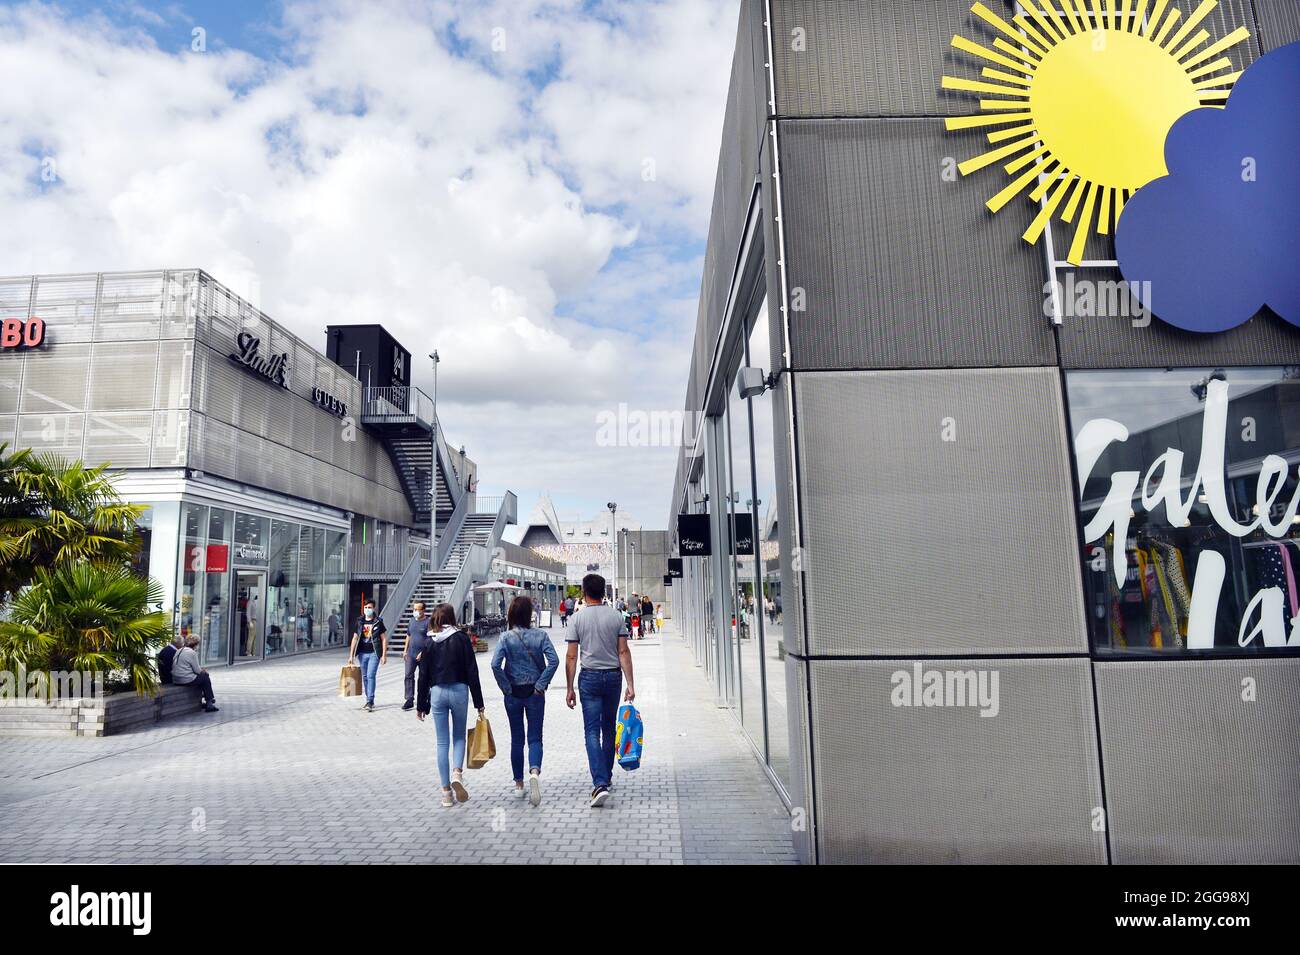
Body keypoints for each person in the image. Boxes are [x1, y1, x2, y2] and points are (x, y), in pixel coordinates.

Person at [566, 573, 635, 808]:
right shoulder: (616, 617)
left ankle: (600, 783)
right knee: (608, 728)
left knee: (591, 731)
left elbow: (572, 656)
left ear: (584, 592)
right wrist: (631, 684)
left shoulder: (576, 619)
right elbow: (623, 652)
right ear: (603, 592)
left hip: (589, 679)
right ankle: (606, 776)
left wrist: (569, 687)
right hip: (613, 678)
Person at [490, 596, 559, 807]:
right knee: (535, 737)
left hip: (513, 694)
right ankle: (535, 772)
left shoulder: (505, 638)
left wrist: (506, 687)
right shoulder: (541, 635)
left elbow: (495, 665)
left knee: (517, 739)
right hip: (535, 694)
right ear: (530, 614)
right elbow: (554, 661)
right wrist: (541, 684)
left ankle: (519, 784)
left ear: (511, 613)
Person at [417, 603, 485, 808]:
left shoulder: (429, 642)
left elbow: (423, 676)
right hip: (459, 691)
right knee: (458, 736)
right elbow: (472, 671)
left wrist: (421, 705)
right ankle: (457, 772)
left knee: (441, 742)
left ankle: (446, 792)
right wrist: (479, 703)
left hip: (437, 693)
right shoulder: (462, 639)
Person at [348, 600, 387, 712]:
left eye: (369, 607)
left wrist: (384, 655)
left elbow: (384, 639)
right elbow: (355, 638)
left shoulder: (378, 622)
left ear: (373, 608)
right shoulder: (359, 621)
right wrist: (351, 655)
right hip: (362, 653)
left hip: (374, 653)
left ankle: (370, 700)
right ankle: (368, 699)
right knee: (365, 676)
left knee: (370, 675)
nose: (367, 609)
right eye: (365, 607)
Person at [172, 635, 219, 712]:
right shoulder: (192, 653)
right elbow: (197, 670)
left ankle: (204, 699)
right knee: (205, 677)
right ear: (196, 644)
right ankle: (209, 702)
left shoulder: (179, 650)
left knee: (201, 678)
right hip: (185, 679)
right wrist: (204, 671)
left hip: (176, 679)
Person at [402, 601, 432, 711]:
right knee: (408, 675)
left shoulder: (428, 622)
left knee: (424, 677)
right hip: (411, 653)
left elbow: (430, 639)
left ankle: (425, 697)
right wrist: (405, 650)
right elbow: (408, 635)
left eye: (418, 609)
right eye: (414, 609)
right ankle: (409, 699)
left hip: (424, 654)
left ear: (423, 610)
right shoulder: (411, 621)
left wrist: (423, 652)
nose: (416, 611)